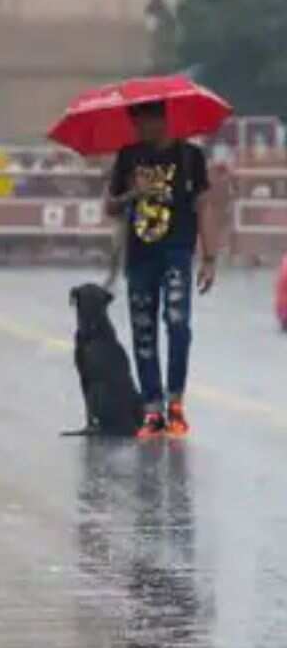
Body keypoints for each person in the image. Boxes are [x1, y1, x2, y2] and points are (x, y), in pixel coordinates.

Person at [106, 99, 217, 439]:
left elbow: (203, 206)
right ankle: (152, 408)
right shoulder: (128, 156)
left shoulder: (190, 157)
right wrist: (131, 194)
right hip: (140, 256)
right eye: (135, 122)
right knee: (144, 331)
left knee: (178, 323)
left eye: (143, 121)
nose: (139, 129)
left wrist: (209, 257)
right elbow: (110, 206)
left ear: (161, 120)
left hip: (176, 252)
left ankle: (176, 400)